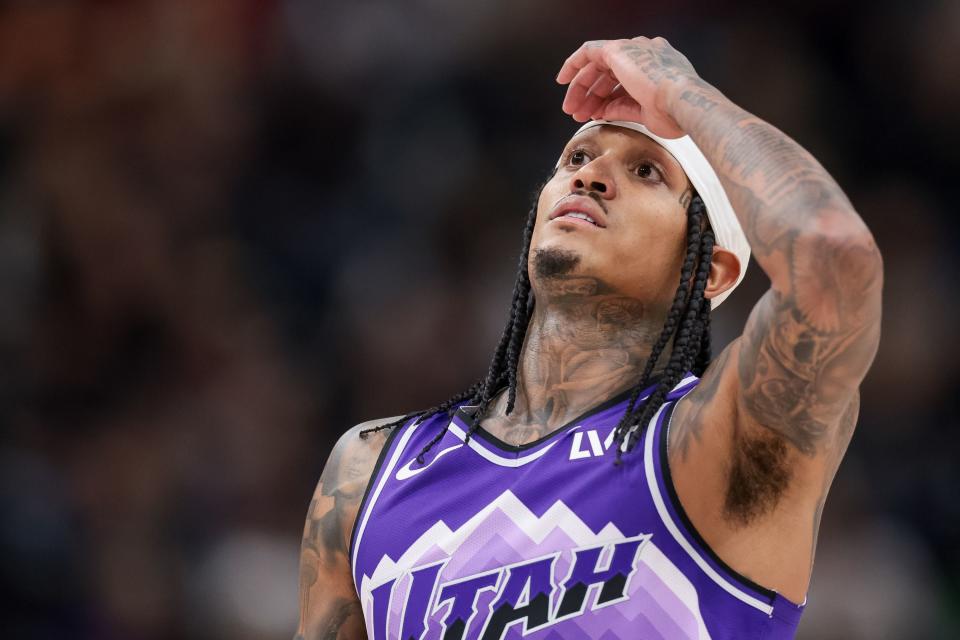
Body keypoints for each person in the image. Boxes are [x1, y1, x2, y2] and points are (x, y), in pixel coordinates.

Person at [295, 36, 882, 640]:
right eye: (576, 159)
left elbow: (833, 254)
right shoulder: (369, 470)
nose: (593, 176)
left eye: (646, 171)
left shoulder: (716, 442)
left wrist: (684, 95)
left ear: (708, 270)